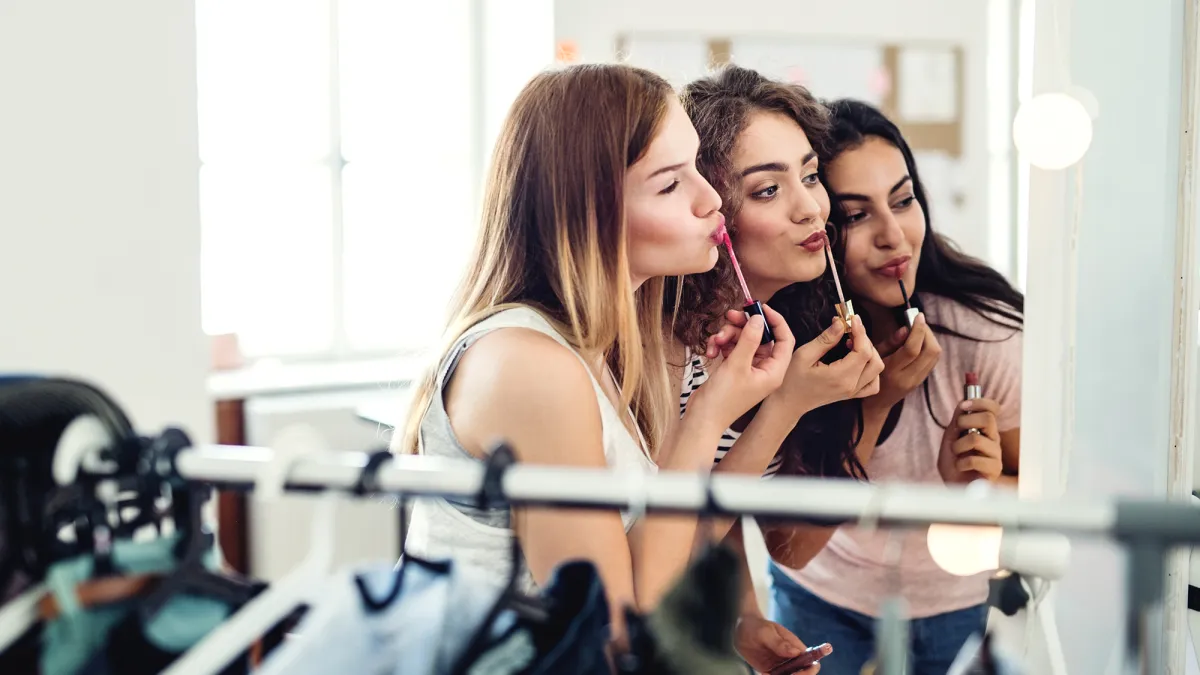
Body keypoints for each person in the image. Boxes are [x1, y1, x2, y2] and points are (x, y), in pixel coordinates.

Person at [395, 64, 798, 649]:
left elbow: (652, 559)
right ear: (589, 212)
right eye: (669, 185)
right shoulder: (529, 365)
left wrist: (716, 405)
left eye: (697, 169)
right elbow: (617, 629)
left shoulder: (592, 352)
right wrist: (711, 414)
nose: (711, 199)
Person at [766, 99, 1024, 675]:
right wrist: (875, 404)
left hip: (953, 598)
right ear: (819, 232)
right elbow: (792, 548)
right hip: (822, 592)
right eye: (856, 216)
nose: (893, 235)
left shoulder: (985, 333)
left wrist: (974, 488)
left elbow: (1043, 490)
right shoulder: (785, 344)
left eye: (903, 200)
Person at [670, 65, 885, 673]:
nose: (810, 208)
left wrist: (743, 619)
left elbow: (720, 502)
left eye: (811, 177)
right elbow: (676, 535)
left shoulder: (778, 318)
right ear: (711, 207)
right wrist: (787, 403)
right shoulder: (676, 342)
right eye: (768, 190)